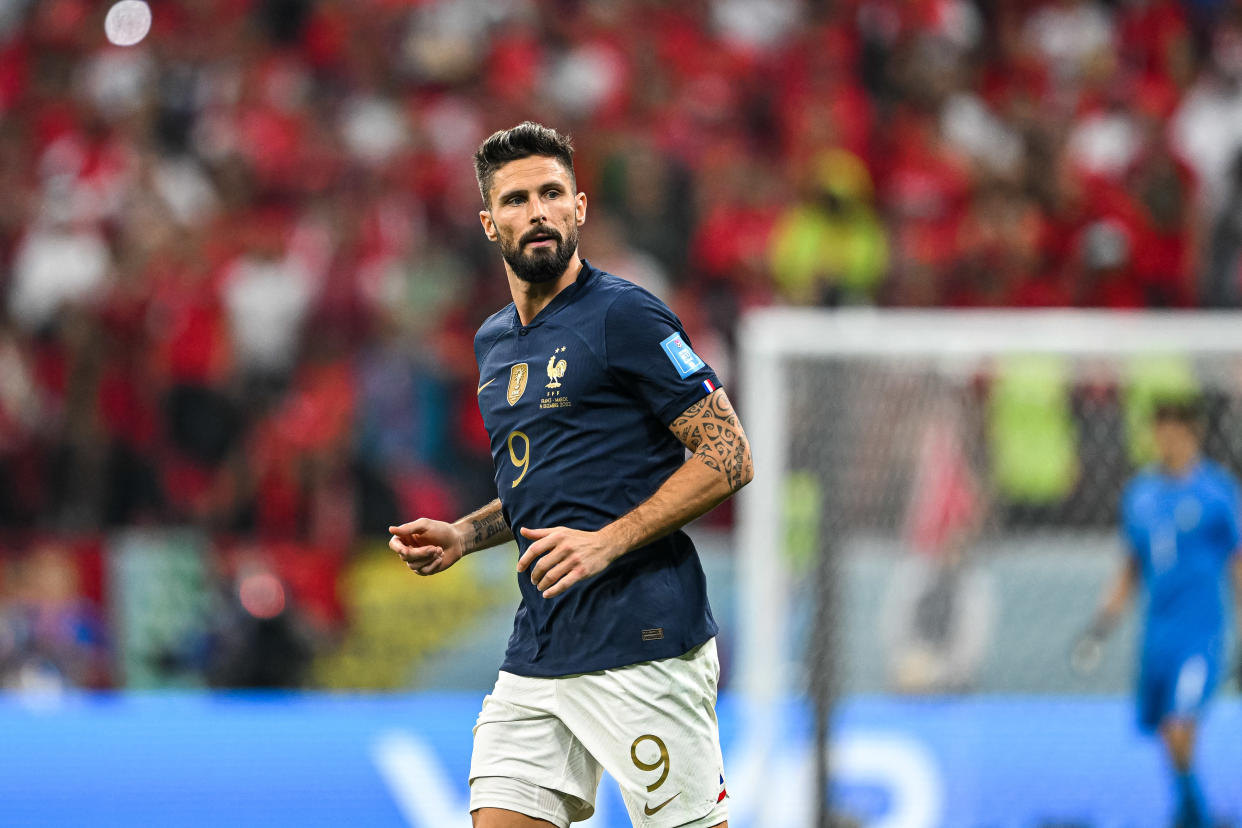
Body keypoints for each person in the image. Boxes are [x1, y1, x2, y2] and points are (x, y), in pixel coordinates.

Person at [388, 122, 752, 828]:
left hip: (643, 640)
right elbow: (544, 482)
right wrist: (465, 533)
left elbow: (728, 453)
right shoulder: (494, 342)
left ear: (580, 208)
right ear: (491, 223)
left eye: (552, 193)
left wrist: (608, 540)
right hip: (542, 645)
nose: (539, 212)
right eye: (518, 200)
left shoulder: (626, 315)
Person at [1074, 397, 1242, 828]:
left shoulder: (1217, 492)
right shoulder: (1141, 495)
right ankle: (1191, 812)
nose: (1165, 440)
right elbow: (1131, 569)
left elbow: (1237, 565)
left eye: (1174, 430)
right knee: (1165, 733)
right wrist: (1099, 629)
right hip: (1157, 634)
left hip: (1201, 632)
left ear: (1193, 434)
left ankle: (1196, 818)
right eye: (1159, 430)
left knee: (1180, 723)